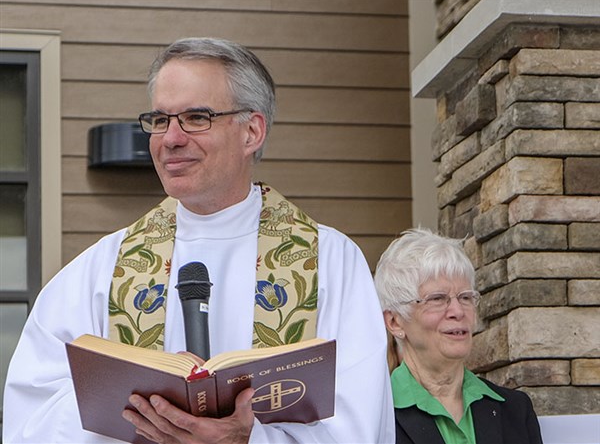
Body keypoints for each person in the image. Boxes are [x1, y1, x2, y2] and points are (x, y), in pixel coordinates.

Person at [3, 37, 394, 444]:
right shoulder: (103, 268)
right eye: (159, 120)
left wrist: (249, 440)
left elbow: (360, 423)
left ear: (252, 132)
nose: (170, 138)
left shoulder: (329, 262)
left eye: (195, 117)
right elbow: (31, 416)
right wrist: (139, 412)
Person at [374, 228, 543, 444]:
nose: (458, 311)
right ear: (394, 322)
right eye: (437, 298)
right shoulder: (375, 415)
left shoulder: (515, 409)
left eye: (465, 297)